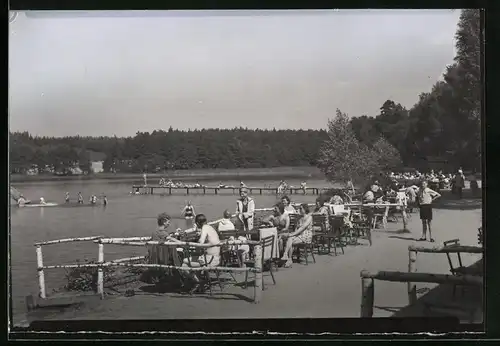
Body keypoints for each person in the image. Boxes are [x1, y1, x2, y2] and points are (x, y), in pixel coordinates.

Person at [176, 214, 221, 292]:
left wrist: (198, 238)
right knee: (190, 260)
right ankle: (198, 280)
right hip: (215, 257)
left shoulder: (205, 227)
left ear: (197, 223)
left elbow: (201, 242)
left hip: (209, 260)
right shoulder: (210, 228)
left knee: (184, 263)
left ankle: (198, 282)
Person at [280, 203, 313, 268]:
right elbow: (296, 229)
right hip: (299, 235)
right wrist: (292, 234)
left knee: (290, 239)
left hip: (306, 236)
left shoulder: (309, 217)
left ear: (305, 209)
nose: (299, 210)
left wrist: (292, 234)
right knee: (290, 239)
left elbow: (302, 228)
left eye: (301, 208)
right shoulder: (300, 218)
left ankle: (286, 256)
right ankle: (288, 258)